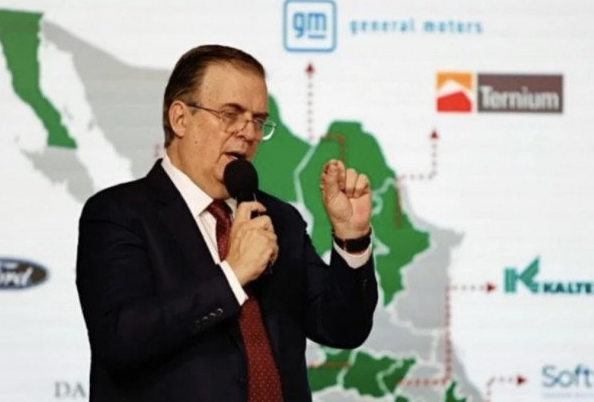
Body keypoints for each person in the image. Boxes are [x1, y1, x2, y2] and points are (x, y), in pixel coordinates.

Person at [75, 44, 378, 401]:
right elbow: (121, 340)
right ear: (180, 119)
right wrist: (233, 275)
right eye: (230, 114)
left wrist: (352, 238)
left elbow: (343, 329)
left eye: (258, 121)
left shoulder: (279, 218)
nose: (248, 133)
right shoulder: (118, 214)